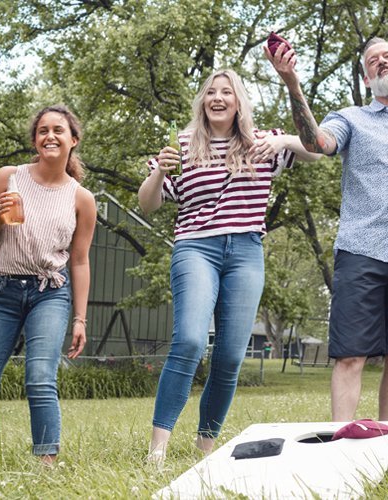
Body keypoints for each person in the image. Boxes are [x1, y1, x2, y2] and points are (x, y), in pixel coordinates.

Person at [266, 37, 388, 423]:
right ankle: (342, 445)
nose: (381, 62)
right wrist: (292, 82)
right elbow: (316, 142)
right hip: (362, 253)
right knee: (350, 355)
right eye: (372, 61)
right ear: (366, 77)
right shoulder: (350, 119)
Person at [138, 69, 321, 463]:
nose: (218, 98)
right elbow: (148, 203)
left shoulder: (262, 143)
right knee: (188, 340)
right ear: (203, 102)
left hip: (246, 253)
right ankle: (157, 450)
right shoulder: (182, 144)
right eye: (211, 93)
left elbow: (317, 148)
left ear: (238, 101)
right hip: (195, 249)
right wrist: (159, 171)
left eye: (227, 92)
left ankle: (205, 449)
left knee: (231, 356)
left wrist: (282, 140)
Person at [0, 105, 97, 468]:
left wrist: (80, 319)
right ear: (35, 140)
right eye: (42, 130)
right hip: (0, 291)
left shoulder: (82, 198)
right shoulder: (8, 177)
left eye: (58, 130)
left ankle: (46, 466)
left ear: (73, 140)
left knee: (40, 379)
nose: (49, 136)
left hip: (49, 293)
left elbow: (80, 260)